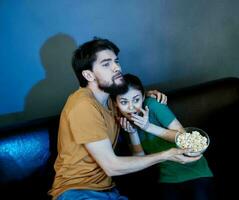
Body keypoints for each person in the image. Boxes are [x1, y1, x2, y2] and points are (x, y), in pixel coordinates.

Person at [48, 38, 201, 200]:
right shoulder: (83, 106)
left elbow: (127, 98)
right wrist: (167, 155)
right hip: (77, 192)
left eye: (116, 61)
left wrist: (145, 94)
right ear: (88, 74)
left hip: (108, 191)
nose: (117, 67)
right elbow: (112, 167)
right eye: (106, 64)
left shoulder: (109, 101)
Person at [114, 74, 215, 200]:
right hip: (167, 176)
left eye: (136, 100)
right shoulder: (123, 124)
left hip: (193, 169)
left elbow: (184, 138)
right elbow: (140, 160)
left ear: (143, 97)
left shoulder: (153, 105)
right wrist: (132, 133)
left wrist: (148, 127)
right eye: (124, 102)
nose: (131, 107)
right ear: (116, 103)